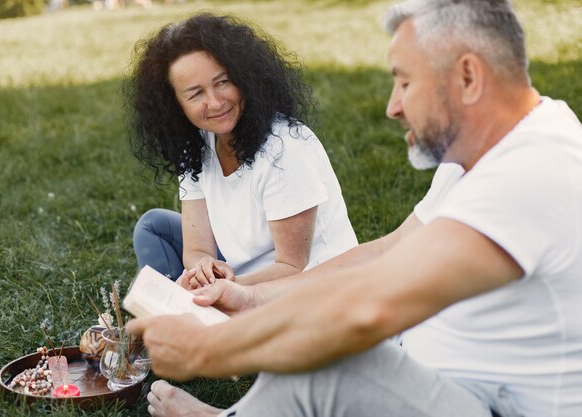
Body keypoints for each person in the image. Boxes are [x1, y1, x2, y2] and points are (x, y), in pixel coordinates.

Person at [127, 1, 582, 416]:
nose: (393, 106)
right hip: (441, 377)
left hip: (493, 405)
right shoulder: (481, 154)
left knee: (329, 357)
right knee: (326, 350)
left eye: (405, 81)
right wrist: (250, 297)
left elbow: (369, 311)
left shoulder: (535, 169)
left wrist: (210, 347)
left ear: (467, 77)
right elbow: (386, 252)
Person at [124, 13, 358, 290]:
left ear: (244, 77)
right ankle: (164, 305)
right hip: (240, 275)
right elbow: (197, 249)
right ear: (175, 104)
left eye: (222, 82)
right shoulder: (197, 144)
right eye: (196, 93)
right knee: (153, 227)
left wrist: (222, 289)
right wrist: (203, 269)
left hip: (308, 286)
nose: (214, 102)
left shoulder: (285, 150)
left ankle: (175, 310)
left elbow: (293, 267)